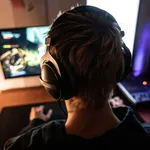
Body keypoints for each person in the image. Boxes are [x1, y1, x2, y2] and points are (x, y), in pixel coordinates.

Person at [4, 5, 150, 149]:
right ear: (121, 67)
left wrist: (35, 122)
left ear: (51, 76)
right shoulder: (142, 136)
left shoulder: (24, 145)